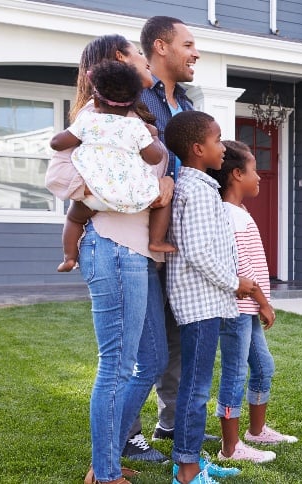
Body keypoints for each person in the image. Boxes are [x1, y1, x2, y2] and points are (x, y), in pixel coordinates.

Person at [44, 34, 173, 484]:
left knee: (152, 358)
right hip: (113, 247)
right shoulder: (91, 118)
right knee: (117, 363)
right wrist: (116, 195)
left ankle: (106, 458)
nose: (145, 58)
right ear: (121, 61)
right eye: (138, 54)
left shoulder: (135, 121)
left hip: (138, 251)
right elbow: (59, 177)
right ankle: (105, 471)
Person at [121, 16, 215, 454]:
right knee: (141, 342)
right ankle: (126, 433)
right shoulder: (135, 97)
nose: (196, 52)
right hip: (141, 237)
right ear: (161, 46)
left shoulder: (189, 103)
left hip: (182, 240)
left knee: (177, 335)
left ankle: (171, 425)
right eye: (188, 44)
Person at [163, 111, 256, 484]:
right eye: (218, 140)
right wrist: (236, 282)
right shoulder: (197, 191)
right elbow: (199, 252)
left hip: (205, 302)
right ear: (199, 148)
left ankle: (189, 461)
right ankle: (186, 471)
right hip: (199, 304)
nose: (223, 147)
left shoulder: (200, 187)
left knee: (196, 384)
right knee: (196, 389)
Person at [206, 141, 297, 465]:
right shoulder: (228, 215)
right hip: (235, 310)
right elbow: (240, 267)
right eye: (254, 170)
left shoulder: (238, 211)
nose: (259, 177)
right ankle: (230, 448)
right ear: (235, 174)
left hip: (246, 309)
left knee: (263, 367)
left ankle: (256, 432)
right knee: (234, 374)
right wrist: (264, 302)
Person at [49, 59, 174, 273]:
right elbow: (154, 158)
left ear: (96, 101)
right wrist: (152, 137)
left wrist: (74, 137)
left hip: (94, 197)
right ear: (134, 105)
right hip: (134, 197)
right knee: (163, 201)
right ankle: (156, 240)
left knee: (73, 217)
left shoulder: (88, 120)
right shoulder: (137, 127)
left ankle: (69, 256)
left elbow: (57, 143)